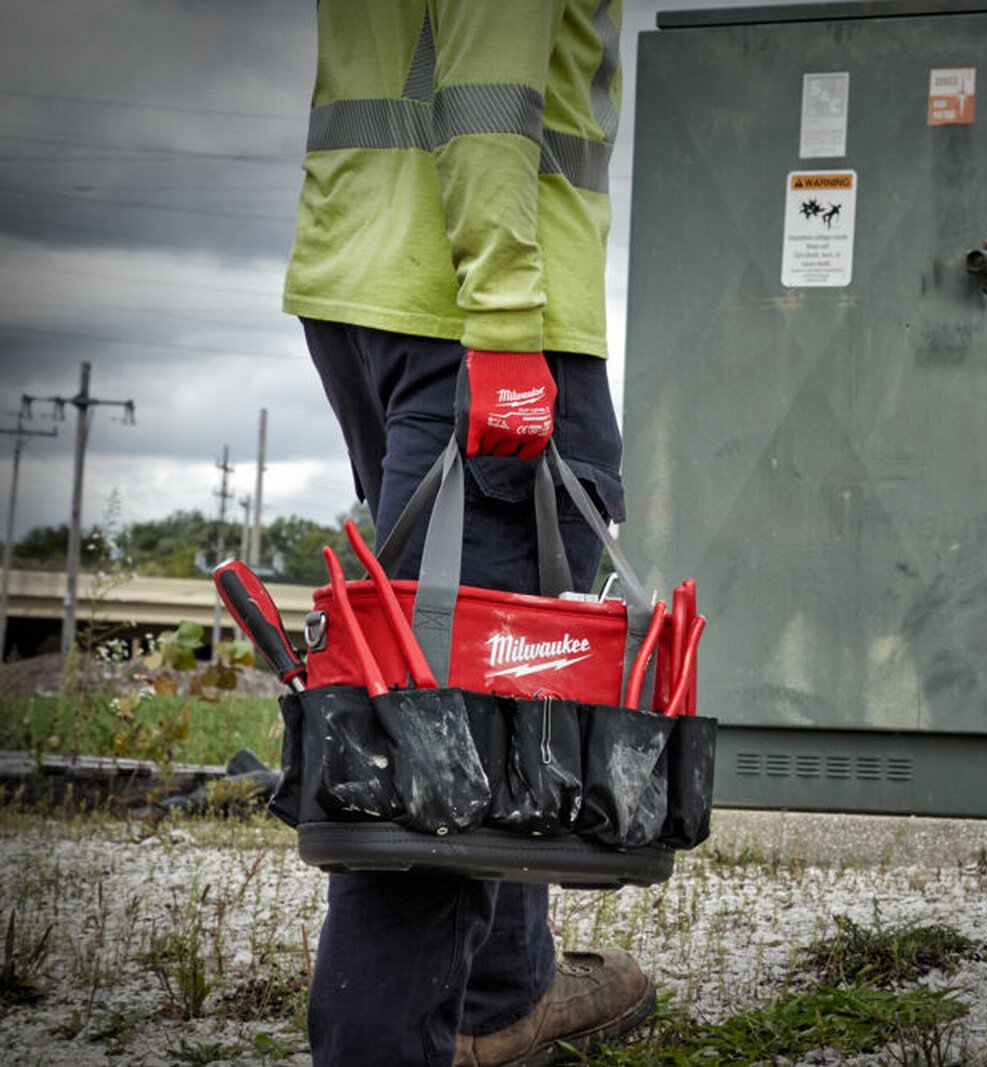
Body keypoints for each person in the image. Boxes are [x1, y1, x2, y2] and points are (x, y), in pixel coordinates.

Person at [281, 3, 651, 1064]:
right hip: (466, 309)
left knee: (482, 660)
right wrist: (502, 321)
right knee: (430, 753)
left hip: (364, 285)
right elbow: (491, 87)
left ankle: (499, 998)